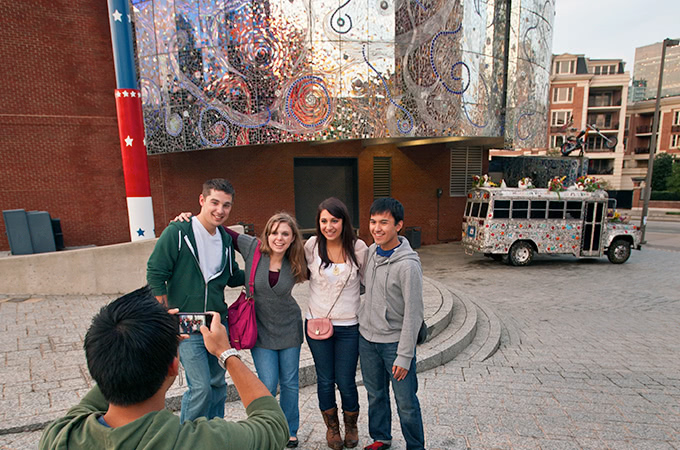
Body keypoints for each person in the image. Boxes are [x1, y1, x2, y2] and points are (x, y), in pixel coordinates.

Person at [39, 286, 289, 450]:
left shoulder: (61, 436)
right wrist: (226, 353)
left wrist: (141, 340)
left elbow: (108, 373)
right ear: (173, 366)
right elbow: (273, 425)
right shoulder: (196, 442)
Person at [175, 211, 307, 448]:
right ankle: (267, 428)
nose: (279, 238)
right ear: (267, 234)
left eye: (285, 233)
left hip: (289, 328)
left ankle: (289, 429)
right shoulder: (253, 248)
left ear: (292, 238)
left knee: (289, 382)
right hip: (259, 329)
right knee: (266, 383)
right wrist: (192, 218)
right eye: (274, 232)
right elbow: (220, 228)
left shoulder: (298, 257)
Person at [146, 178, 245, 423]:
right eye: (214, 202)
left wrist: (265, 270)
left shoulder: (224, 238)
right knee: (200, 387)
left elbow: (232, 276)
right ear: (202, 200)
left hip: (216, 324)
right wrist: (162, 315)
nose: (220, 210)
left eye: (226, 205)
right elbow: (156, 272)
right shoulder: (179, 231)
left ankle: (214, 434)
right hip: (187, 323)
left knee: (218, 385)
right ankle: (186, 438)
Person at [358, 198, 425, 450]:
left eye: (384, 223)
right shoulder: (372, 251)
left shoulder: (408, 265)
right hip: (367, 340)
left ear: (399, 225)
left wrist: (404, 355)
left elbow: (414, 312)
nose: (377, 228)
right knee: (375, 395)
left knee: (405, 402)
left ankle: (416, 446)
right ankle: (381, 438)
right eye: (373, 222)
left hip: (395, 344)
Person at [304, 198, 368, 450]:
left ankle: (351, 424)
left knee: (346, 380)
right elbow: (277, 249)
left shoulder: (358, 247)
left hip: (349, 327)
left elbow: (372, 282)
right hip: (317, 325)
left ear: (344, 221)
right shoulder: (311, 246)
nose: (329, 226)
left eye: (334, 220)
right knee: (324, 379)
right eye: (324, 221)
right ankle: (332, 428)